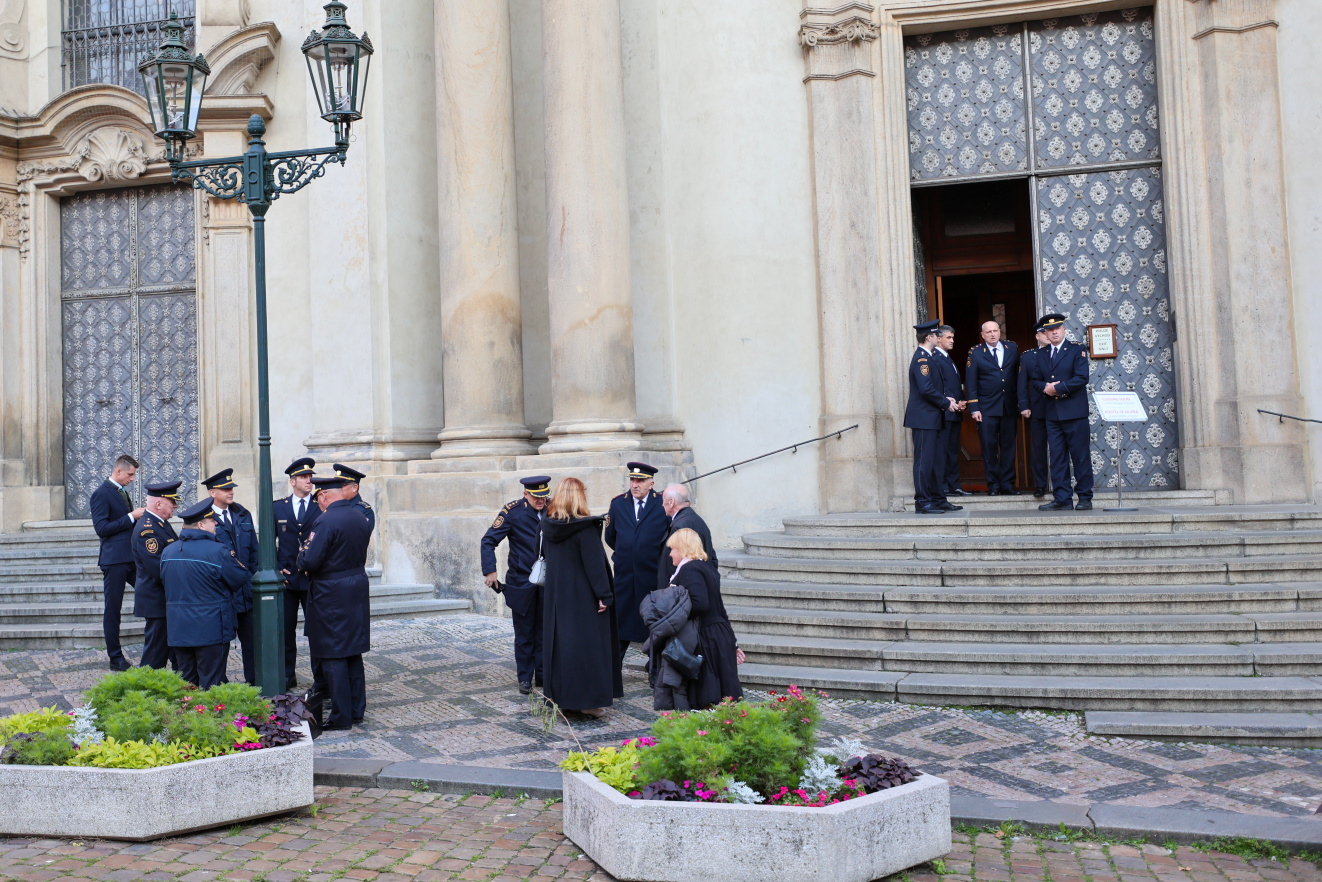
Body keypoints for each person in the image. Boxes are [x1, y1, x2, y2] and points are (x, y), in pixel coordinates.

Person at [297, 474, 373, 730]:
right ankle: (356, 710)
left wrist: (301, 556)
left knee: (332, 654)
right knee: (352, 652)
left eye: (318, 498)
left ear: (324, 495)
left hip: (331, 593)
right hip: (356, 587)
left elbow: (310, 560)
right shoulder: (358, 516)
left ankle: (341, 717)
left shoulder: (326, 520)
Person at [542, 476, 622, 719]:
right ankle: (587, 702)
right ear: (580, 497)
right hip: (583, 599)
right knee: (587, 650)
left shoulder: (548, 525)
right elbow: (595, 565)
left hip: (557, 598)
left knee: (562, 649)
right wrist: (605, 595)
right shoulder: (585, 529)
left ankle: (563, 699)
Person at [161, 499, 251, 689]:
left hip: (179, 629)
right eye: (212, 521)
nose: (216, 523)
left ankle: (190, 717)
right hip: (211, 629)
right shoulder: (219, 551)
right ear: (201, 525)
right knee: (213, 684)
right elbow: (240, 577)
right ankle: (213, 718)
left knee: (187, 684)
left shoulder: (168, 552)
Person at [480, 475, 552, 695]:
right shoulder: (512, 512)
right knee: (524, 633)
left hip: (548, 581)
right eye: (536, 497)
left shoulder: (554, 508)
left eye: (544, 496)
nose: (541, 501)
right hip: (522, 581)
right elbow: (488, 540)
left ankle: (543, 675)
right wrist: (490, 571)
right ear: (525, 494)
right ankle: (524, 678)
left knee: (545, 631)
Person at [664, 527, 743, 710]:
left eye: (673, 549)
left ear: (682, 548)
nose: (670, 554)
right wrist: (733, 643)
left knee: (710, 695)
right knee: (724, 695)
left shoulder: (690, 569)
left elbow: (700, 604)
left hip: (707, 637)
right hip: (718, 634)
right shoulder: (704, 567)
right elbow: (720, 608)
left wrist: (672, 615)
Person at [604, 462, 668, 659]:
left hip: (652, 575)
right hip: (625, 576)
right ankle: (614, 668)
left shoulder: (662, 504)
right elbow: (610, 537)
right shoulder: (618, 504)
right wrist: (629, 552)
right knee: (620, 621)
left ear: (651, 483)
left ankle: (655, 669)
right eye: (632, 480)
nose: (635, 485)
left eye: (640, 480)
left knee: (653, 624)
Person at [89, 454, 146, 671]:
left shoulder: (121, 492)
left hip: (131, 559)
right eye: (130, 474)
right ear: (118, 471)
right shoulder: (101, 493)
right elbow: (101, 529)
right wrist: (132, 516)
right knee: (113, 609)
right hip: (114, 561)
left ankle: (159, 647)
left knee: (152, 594)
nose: (133, 479)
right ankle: (115, 658)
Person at [1034, 314, 1095, 511]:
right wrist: (1044, 387)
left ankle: (1085, 497)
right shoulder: (1041, 354)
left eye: (1057, 328)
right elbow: (1035, 380)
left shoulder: (1077, 350)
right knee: (1058, 458)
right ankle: (1062, 498)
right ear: (1044, 333)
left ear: (1063, 330)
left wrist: (1058, 388)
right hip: (1052, 414)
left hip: (1074, 413)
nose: (1054, 332)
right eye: (1049, 330)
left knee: (1080, 456)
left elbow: (1081, 378)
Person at [203, 468, 258, 685]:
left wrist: (250, 578)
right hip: (222, 594)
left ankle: (254, 684)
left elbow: (254, 550)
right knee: (220, 645)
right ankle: (220, 687)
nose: (230, 492)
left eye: (231, 488)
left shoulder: (242, 514)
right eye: (225, 489)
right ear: (212, 493)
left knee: (252, 643)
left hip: (246, 592)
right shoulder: (204, 518)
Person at [905, 321, 961, 514]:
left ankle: (938, 498)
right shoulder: (922, 359)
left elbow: (931, 387)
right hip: (923, 419)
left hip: (933, 417)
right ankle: (922, 501)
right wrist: (946, 403)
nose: (939, 338)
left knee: (937, 461)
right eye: (937, 335)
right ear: (929, 337)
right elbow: (925, 388)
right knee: (924, 461)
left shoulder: (929, 357)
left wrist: (945, 398)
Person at [274, 457, 319, 690]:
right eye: (303, 477)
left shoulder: (319, 505)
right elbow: (269, 542)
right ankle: (287, 674)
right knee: (285, 630)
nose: (308, 480)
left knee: (316, 631)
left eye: (310, 477)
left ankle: (319, 679)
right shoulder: (278, 506)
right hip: (288, 578)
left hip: (312, 578)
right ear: (292, 482)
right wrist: (275, 566)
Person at [965, 320, 1021, 495]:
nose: (992, 334)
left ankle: (1008, 484)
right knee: (989, 448)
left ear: (1000, 331)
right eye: (988, 332)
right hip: (987, 408)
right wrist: (974, 407)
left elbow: (1018, 375)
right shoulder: (975, 352)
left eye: (995, 331)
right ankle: (994, 485)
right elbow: (971, 381)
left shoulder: (1012, 348)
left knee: (1008, 447)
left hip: (1009, 406)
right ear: (983, 335)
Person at [131, 481, 182, 670]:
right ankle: (146, 691)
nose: (175, 506)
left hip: (165, 599)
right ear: (159, 504)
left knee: (175, 651)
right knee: (154, 655)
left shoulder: (160, 524)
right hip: (156, 601)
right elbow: (157, 568)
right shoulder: (148, 529)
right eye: (172, 501)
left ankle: (184, 687)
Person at [933, 324, 970, 496]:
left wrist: (962, 401)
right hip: (944, 413)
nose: (952, 340)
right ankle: (943, 486)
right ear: (938, 338)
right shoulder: (934, 358)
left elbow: (954, 384)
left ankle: (953, 484)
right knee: (943, 451)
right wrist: (951, 401)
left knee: (952, 451)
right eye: (949, 337)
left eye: (953, 337)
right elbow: (937, 386)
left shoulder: (947, 358)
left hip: (954, 412)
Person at [657, 484, 717, 587]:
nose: (662, 505)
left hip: (685, 590)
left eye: (663, 500)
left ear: (671, 502)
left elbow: (674, 565)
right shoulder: (695, 519)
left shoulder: (680, 526)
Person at [1018, 323, 1052, 498]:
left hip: (1058, 406)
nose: (1048, 335)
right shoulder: (1028, 356)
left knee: (1058, 447)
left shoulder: (1059, 352)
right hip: (1038, 407)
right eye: (1043, 333)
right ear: (1037, 336)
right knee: (1038, 448)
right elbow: (1023, 382)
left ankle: (1060, 484)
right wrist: (1024, 405)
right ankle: (1040, 485)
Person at [332, 463, 375, 532]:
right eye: (336, 484)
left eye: (342, 485)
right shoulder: (333, 506)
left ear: (354, 488)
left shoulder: (363, 511)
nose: (338, 488)